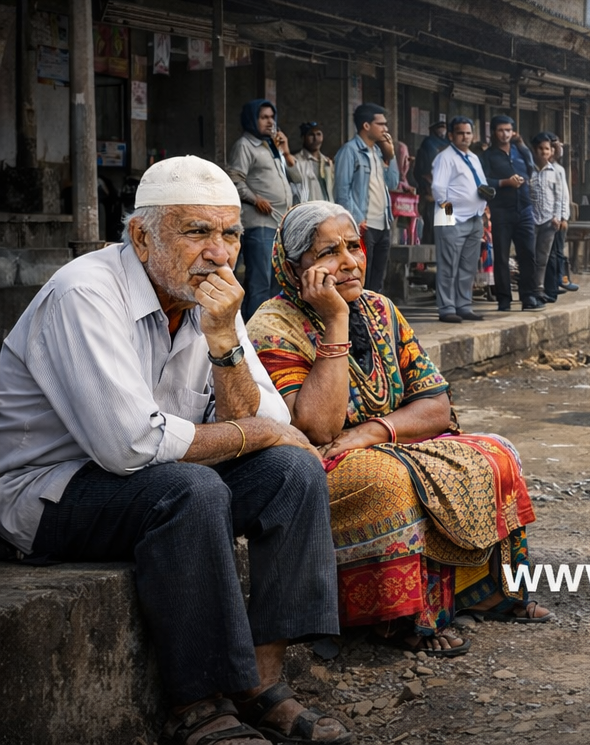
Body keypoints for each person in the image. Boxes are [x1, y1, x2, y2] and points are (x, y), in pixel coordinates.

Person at [0, 156, 347, 745]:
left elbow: (265, 417)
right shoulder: (85, 292)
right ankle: (199, 704)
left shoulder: (211, 301)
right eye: (197, 232)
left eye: (231, 234)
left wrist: (222, 344)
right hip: (47, 493)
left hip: (145, 481)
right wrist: (259, 433)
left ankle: (260, 684)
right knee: (192, 487)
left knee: (291, 472)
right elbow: (130, 445)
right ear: (141, 234)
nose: (218, 252)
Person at [248, 202, 550, 658]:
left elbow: (436, 405)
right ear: (296, 268)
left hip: (378, 443)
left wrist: (375, 431)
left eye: (354, 246)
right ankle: (400, 619)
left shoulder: (380, 310)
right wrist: (333, 321)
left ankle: (487, 591)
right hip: (314, 468)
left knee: (497, 451)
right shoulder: (272, 327)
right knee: (388, 483)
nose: (350, 261)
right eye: (329, 252)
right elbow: (317, 427)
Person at [227, 98, 299, 318]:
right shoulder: (245, 145)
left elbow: (296, 177)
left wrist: (285, 151)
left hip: (278, 225)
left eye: (272, 117)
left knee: (276, 282)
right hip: (258, 225)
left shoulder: (272, 146)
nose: (270, 122)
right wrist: (255, 198)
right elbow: (234, 178)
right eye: (264, 117)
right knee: (259, 282)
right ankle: (254, 334)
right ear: (252, 119)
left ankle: (270, 329)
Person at [333, 103, 399, 295]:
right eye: (381, 124)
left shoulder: (378, 152)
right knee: (362, 275)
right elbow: (342, 191)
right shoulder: (349, 151)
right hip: (364, 225)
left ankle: (375, 318)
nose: (386, 129)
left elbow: (393, 183)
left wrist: (391, 155)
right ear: (366, 126)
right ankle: (360, 320)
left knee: (378, 278)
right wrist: (356, 218)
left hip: (383, 224)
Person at [431, 117, 492, 323]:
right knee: (448, 264)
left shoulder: (473, 157)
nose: (465, 137)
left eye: (468, 133)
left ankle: (464, 305)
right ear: (451, 136)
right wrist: (449, 216)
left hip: (474, 217)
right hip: (449, 215)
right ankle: (447, 308)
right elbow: (439, 189)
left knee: (468, 264)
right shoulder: (445, 157)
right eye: (460, 133)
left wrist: (482, 210)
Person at [479, 116, 541, 311]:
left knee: (528, 255)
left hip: (524, 209)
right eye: (501, 130)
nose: (505, 134)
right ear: (494, 133)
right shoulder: (488, 156)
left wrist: (522, 146)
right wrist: (505, 182)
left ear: (513, 132)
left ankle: (528, 296)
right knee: (502, 257)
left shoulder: (519, 151)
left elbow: (532, 170)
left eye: (508, 130)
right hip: (501, 211)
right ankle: (504, 299)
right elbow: (482, 182)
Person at [527, 133, 569, 305]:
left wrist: (558, 217)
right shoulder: (528, 170)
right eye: (541, 149)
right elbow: (442, 194)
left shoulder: (555, 172)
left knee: (543, 258)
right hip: (449, 215)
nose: (544, 152)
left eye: (547, 149)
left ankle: (539, 290)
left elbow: (560, 197)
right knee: (530, 257)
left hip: (548, 221)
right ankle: (529, 291)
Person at [548, 135, 579, 295]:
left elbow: (563, 196)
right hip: (551, 218)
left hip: (560, 218)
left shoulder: (559, 169)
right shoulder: (549, 169)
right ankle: (554, 282)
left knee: (559, 251)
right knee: (553, 253)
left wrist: (564, 217)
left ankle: (561, 279)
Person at [413, 120, 450, 247]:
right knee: (431, 224)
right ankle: (429, 258)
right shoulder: (428, 145)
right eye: (439, 127)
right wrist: (425, 187)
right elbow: (420, 171)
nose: (442, 130)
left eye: (444, 127)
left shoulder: (450, 145)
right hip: (431, 193)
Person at [294, 122, 335, 204]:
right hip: (308, 209)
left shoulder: (327, 162)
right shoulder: (296, 160)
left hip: (327, 209)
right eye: (311, 135)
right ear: (303, 138)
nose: (315, 138)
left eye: (318, 134)